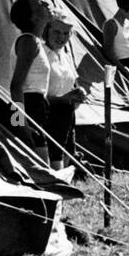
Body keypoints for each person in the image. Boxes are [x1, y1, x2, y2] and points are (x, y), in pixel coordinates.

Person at [8, 0, 54, 162]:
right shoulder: (28, 42)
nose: (47, 4)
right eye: (41, 3)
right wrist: (20, 124)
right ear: (33, 17)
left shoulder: (36, 41)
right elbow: (15, 86)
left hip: (37, 105)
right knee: (41, 164)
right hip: (29, 105)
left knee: (41, 162)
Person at [43, 10, 87, 169]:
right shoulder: (40, 53)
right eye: (56, 32)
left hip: (67, 113)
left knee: (68, 149)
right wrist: (64, 98)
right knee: (55, 154)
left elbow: (71, 82)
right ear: (46, 31)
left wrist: (78, 93)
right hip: (47, 113)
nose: (61, 37)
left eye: (66, 33)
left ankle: (64, 182)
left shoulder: (64, 55)